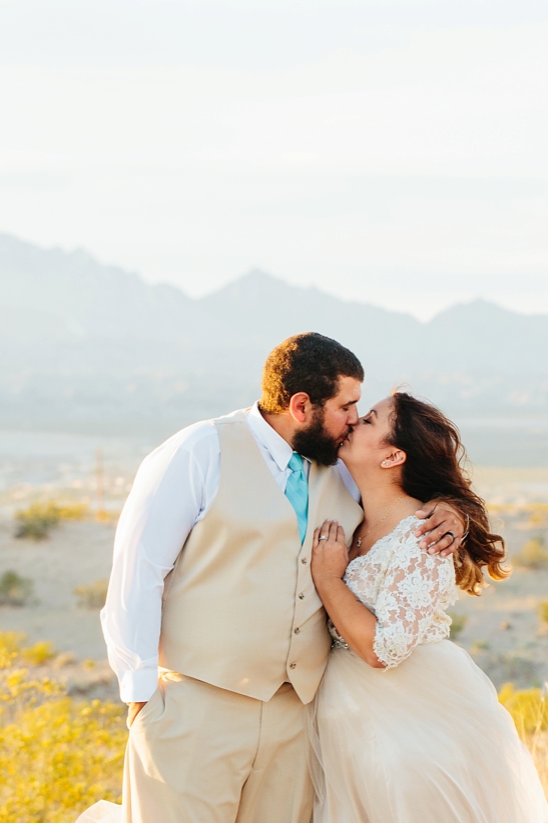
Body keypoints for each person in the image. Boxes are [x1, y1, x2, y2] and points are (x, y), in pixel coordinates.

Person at [88, 333, 467, 823]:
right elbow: (137, 573)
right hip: (195, 708)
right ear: (301, 405)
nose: (355, 419)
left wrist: (451, 508)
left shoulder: (344, 466)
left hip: (297, 717)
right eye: (347, 406)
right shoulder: (201, 450)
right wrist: (140, 696)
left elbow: (408, 481)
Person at [307, 391, 548, 823]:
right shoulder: (348, 503)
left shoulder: (422, 538)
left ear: (393, 456)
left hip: (413, 718)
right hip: (348, 719)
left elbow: (384, 650)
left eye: (368, 420)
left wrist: (328, 579)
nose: (352, 423)